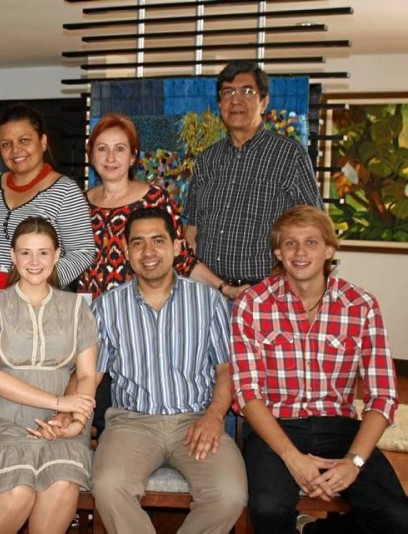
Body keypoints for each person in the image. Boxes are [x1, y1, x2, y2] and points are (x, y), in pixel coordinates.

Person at [231, 205, 408, 534]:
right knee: (269, 508)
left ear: (329, 249)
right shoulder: (252, 304)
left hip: (339, 428)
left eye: (311, 242)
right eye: (291, 244)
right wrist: (292, 458)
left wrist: (353, 463)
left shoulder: (361, 305)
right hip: (275, 427)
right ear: (278, 253)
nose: (300, 252)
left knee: (398, 517)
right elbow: (246, 394)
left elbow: (382, 395)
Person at [76, 112, 248, 438]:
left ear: (133, 155)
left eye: (119, 149)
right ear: (91, 155)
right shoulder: (78, 203)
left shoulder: (154, 198)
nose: (110, 158)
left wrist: (223, 288)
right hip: (96, 326)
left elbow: (181, 258)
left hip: (145, 325)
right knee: (95, 417)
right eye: (102, 149)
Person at [90, 207, 247, 534]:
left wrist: (214, 416)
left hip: (196, 420)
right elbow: (91, 375)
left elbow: (225, 370)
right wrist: (67, 411)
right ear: (126, 250)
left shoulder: (208, 301)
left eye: (158, 241)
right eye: (138, 243)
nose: (148, 252)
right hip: (131, 422)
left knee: (229, 495)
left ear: (177, 247)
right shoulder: (107, 305)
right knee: (108, 486)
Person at [0, 216, 98, 534]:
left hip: (63, 425)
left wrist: (74, 420)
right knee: (18, 492)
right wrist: (59, 401)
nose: (34, 262)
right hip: (6, 420)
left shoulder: (77, 308)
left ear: (57, 256)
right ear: (13, 256)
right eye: (25, 253)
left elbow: (86, 376)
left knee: (61, 486)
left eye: (43, 253)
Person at [183, 60, 323, 293]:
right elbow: (192, 232)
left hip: (267, 295)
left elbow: (315, 228)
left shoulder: (289, 156)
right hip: (208, 293)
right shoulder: (207, 160)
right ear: (219, 104)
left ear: (264, 102)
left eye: (247, 91)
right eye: (228, 92)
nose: (236, 100)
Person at [0, 103, 95, 292]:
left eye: (24, 140)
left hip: (44, 304)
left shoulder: (65, 191)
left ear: (42, 142)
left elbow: (83, 252)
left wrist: (35, 286)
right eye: (6, 144)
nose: (15, 150)